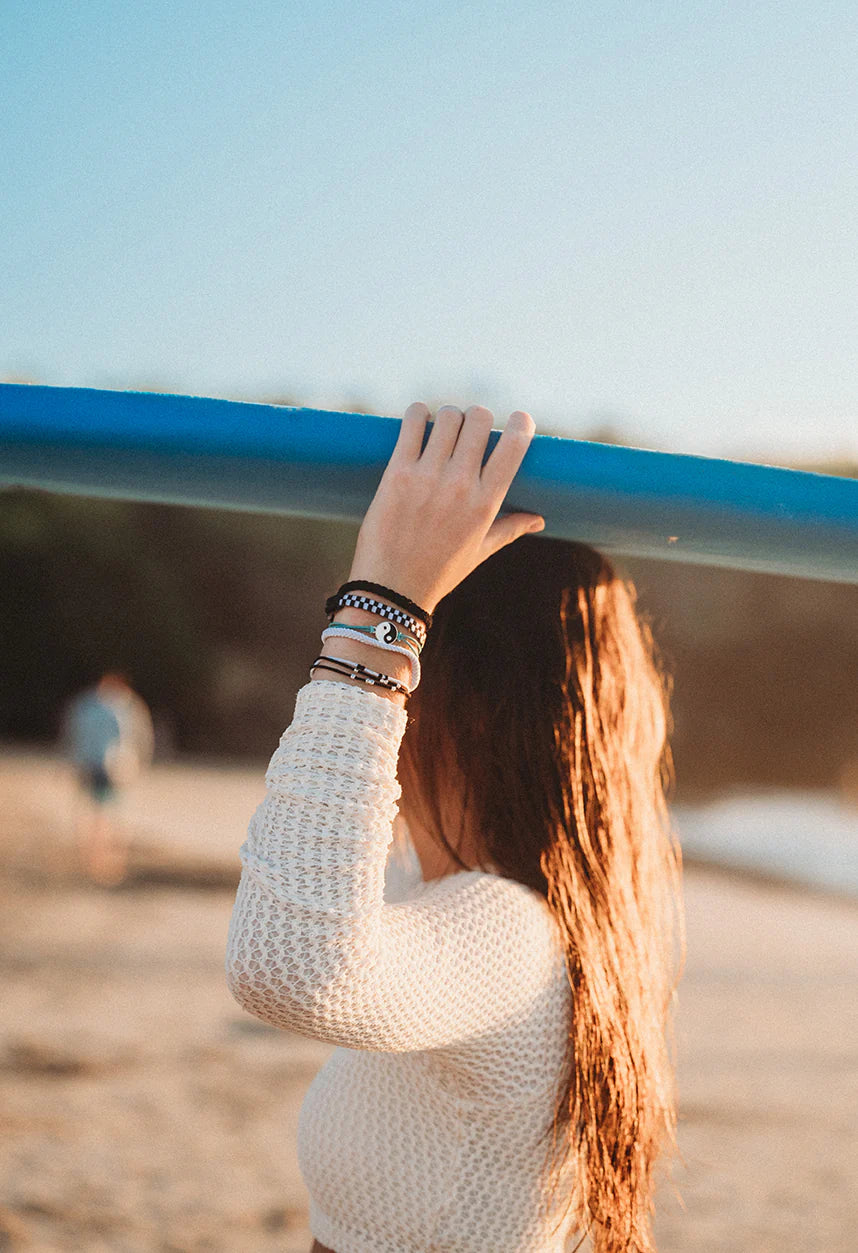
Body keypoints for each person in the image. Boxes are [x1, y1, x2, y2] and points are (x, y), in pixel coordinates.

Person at [225, 403, 685, 1252]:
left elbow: (287, 963)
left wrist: (381, 614)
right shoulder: (472, 900)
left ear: (448, 694)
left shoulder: (513, 934)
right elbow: (321, 875)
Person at [60, 670, 155, 885]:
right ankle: (102, 860)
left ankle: (93, 858)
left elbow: (71, 734)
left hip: (92, 764)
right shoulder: (123, 706)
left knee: (96, 811)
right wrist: (137, 764)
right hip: (110, 766)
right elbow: (135, 738)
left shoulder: (85, 704)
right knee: (107, 814)